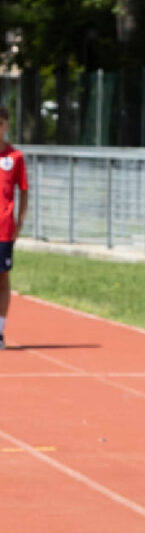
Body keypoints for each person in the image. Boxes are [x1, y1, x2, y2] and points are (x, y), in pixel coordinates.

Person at [0, 105, 28, 350]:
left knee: (3, 278)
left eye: (0, 124)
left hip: (4, 228)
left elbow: (23, 191)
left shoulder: (15, 157)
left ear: (6, 125)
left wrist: (20, 222)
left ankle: (0, 331)